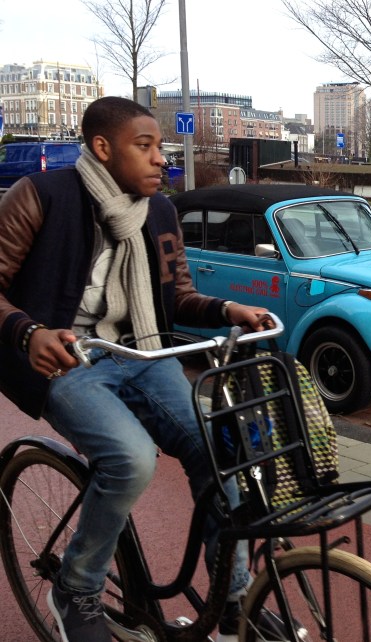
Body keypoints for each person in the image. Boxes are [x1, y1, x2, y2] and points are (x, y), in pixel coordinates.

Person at [0, 97, 275, 642]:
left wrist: (225, 312)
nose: (160, 161)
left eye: (161, 149)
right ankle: (76, 588)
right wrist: (27, 332)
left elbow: (177, 297)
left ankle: (233, 595)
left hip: (140, 352)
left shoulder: (161, 211)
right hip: (64, 361)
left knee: (224, 447)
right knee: (129, 458)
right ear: (103, 148)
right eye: (144, 147)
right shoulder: (40, 196)